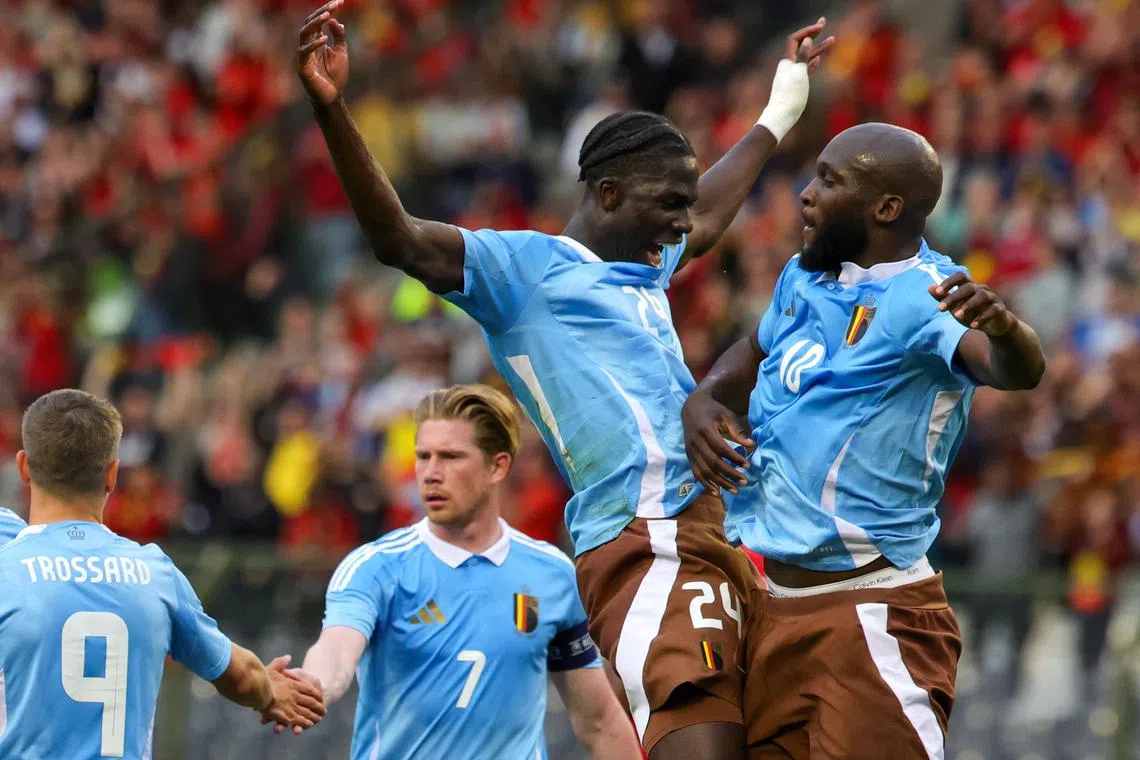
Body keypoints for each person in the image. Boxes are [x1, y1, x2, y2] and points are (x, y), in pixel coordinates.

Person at [296, 3, 834, 756]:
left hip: (715, 530)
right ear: (608, 195)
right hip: (644, 536)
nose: (683, 225)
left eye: (682, 208)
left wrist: (781, 107)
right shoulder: (525, 273)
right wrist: (332, 109)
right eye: (668, 205)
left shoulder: (644, 263)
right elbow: (401, 239)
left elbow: (710, 212)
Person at [681, 122, 1047, 758]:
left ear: (886, 207)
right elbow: (753, 348)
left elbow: (1012, 370)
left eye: (830, 181)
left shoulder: (925, 294)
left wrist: (1008, 330)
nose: (806, 194)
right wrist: (704, 397)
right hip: (771, 609)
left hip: (870, 613)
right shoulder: (805, 277)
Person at [300, 384, 640, 760]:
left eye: (450, 457)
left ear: (498, 466)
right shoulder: (375, 568)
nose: (431, 473)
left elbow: (599, 722)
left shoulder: (552, 575)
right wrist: (312, 685)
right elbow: (336, 650)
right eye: (423, 456)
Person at [0, 389, 327, 759]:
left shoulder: (8, 569)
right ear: (112, 474)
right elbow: (240, 675)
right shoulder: (154, 573)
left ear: (24, 467)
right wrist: (270, 692)